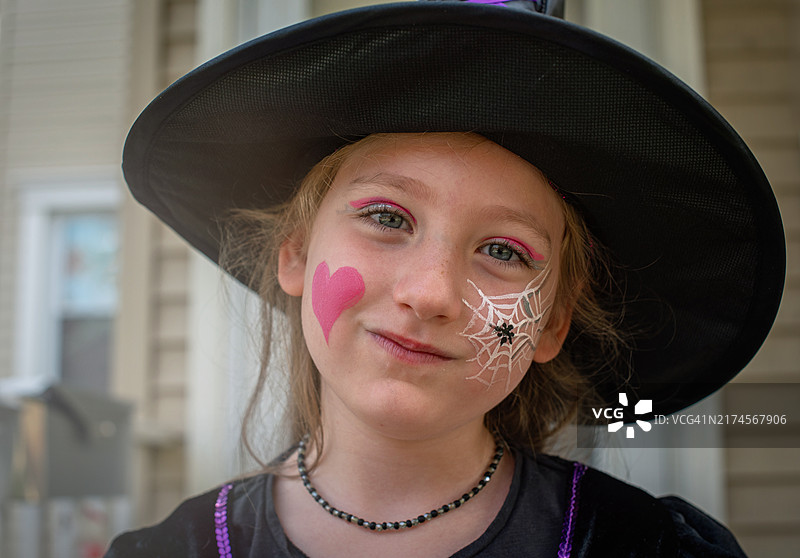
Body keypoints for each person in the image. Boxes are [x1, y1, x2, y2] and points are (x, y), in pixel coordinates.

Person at [106, 1, 785, 556]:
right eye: (385, 216)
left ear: (550, 322)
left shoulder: (646, 549)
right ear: (295, 252)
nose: (430, 293)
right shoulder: (178, 550)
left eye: (503, 251)